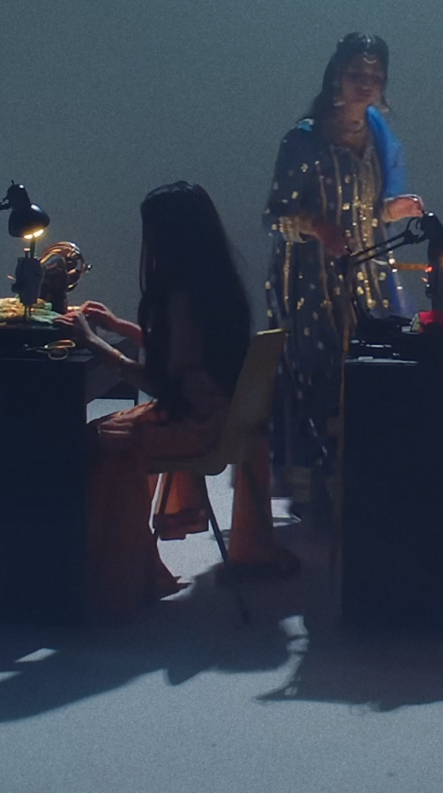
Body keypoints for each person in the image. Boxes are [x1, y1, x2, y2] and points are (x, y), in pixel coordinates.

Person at [58, 182, 293, 620]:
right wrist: (118, 326)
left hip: (197, 426)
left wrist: (94, 344)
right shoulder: (213, 285)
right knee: (100, 432)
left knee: (95, 442)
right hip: (220, 416)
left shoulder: (181, 295)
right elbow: (185, 355)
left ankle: (112, 574)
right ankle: (124, 564)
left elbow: (162, 383)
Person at [262, 33, 424, 509]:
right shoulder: (304, 139)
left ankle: (362, 485)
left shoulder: (375, 135)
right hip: (311, 283)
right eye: (357, 74)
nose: (366, 83)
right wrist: (317, 226)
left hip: (366, 276)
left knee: (368, 372)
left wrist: (393, 211)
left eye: (375, 75)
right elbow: (275, 215)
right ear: (337, 75)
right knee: (319, 378)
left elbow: (367, 211)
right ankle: (315, 493)